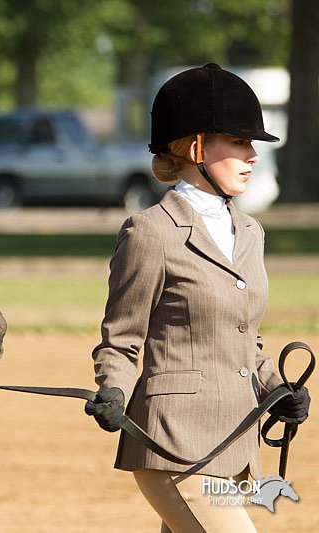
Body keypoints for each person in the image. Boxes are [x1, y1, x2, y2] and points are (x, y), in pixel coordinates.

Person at [85, 63, 311, 532]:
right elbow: (122, 338)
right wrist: (113, 389)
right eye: (241, 142)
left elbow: (244, 338)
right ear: (196, 147)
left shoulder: (250, 232)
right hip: (174, 442)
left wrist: (277, 391)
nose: (253, 156)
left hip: (234, 444)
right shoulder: (151, 231)